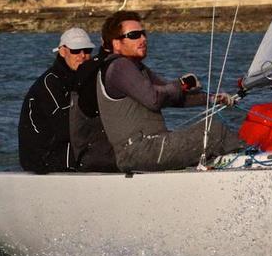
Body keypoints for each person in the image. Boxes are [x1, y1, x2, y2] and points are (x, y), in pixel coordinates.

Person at [96, 11, 243, 172]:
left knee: (211, 138)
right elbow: (154, 99)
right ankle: (252, 167)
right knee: (214, 132)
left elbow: (173, 96)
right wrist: (181, 84)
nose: (143, 39)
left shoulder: (138, 69)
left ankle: (238, 165)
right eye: (134, 35)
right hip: (137, 152)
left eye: (143, 34)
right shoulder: (119, 67)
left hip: (152, 147)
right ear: (116, 43)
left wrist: (213, 98)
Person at [18, 27, 96, 173]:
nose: (82, 55)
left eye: (87, 50)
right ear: (62, 51)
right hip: (43, 161)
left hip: (63, 153)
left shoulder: (83, 78)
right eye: (75, 51)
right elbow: (64, 125)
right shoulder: (50, 82)